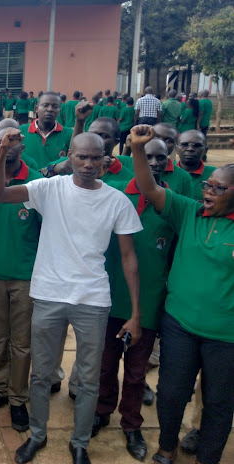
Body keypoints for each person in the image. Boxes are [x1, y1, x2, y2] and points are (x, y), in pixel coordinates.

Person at [0, 131, 142, 464]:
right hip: (48, 294)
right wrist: (2, 150)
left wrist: (135, 313)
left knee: (88, 379)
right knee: (41, 375)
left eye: (96, 157)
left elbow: (129, 258)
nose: (89, 164)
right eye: (82, 157)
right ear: (68, 156)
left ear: (106, 158)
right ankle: (37, 435)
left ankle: (80, 443)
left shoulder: (117, 200)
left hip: (93, 298)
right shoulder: (49, 189)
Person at [127, 124, 234, 464]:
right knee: (171, 393)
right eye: (208, 184)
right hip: (180, 323)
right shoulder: (188, 211)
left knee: (218, 403)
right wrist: (138, 150)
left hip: (226, 335)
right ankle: (166, 447)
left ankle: (208, 458)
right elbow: (148, 186)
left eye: (218, 188)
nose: (208, 191)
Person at [92, 137, 176, 461]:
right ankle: (101, 410)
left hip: (149, 303)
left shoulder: (172, 206)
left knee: (137, 372)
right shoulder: (112, 195)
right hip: (108, 298)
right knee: (105, 365)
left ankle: (131, 424)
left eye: (160, 157)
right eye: (148, 156)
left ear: (169, 161)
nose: (153, 163)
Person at [0, 126, 42, 432]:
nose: (7, 146)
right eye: (0, 142)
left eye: (12, 142)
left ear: (22, 147)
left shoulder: (39, 182)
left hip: (26, 277)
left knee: (22, 343)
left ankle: (17, 399)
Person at [48, 117, 132, 183]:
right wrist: (54, 169)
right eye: (91, 134)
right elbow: (38, 175)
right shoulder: (70, 163)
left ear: (116, 142)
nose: (95, 139)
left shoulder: (125, 175)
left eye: (103, 136)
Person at [20, 92, 72, 168]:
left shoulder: (69, 133)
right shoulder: (21, 132)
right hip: (29, 179)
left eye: (55, 106)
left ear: (59, 111)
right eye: (45, 105)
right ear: (36, 109)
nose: (50, 109)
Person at [176, 130, 216, 202]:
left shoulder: (215, 175)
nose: (190, 149)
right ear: (176, 149)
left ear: (205, 150)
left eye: (197, 145)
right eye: (185, 144)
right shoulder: (165, 171)